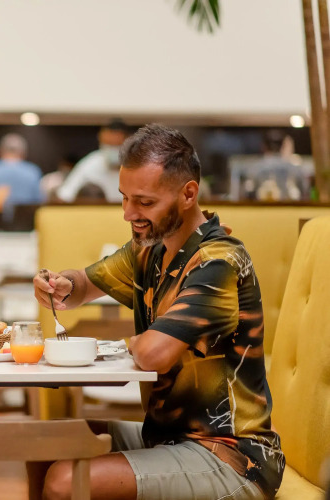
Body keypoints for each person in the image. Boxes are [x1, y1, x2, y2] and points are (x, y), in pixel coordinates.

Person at [32, 124, 283, 500]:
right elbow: (83, 284)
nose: (128, 213)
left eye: (144, 202)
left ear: (188, 194)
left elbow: (153, 354)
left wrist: (135, 341)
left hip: (232, 457)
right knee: (44, 442)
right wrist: (60, 284)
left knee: (64, 481)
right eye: (124, 198)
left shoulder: (218, 261)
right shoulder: (150, 248)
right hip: (168, 438)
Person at [55, 119, 128, 203]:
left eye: (116, 145)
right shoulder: (90, 164)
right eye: (108, 144)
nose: (112, 150)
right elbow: (64, 196)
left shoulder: (135, 166)